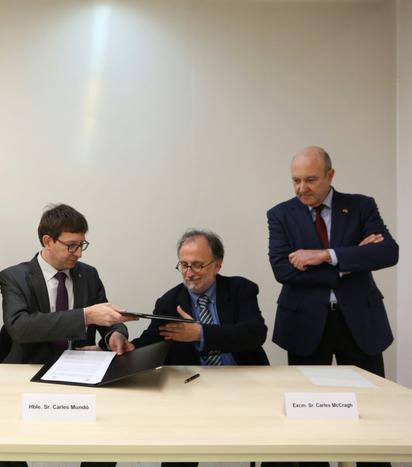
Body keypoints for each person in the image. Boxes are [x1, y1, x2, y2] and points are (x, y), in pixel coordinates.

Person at [267, 146, 398, 467]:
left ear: (330, 175)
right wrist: (350, 259)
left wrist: (324, 255)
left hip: (360, 323)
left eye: (310, 179)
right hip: (306, 325)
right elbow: (283, 270)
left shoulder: (360, 206)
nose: (302, 188)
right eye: (296, 180)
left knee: (373, 413)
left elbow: (388, 252)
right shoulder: (280, 214)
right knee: (310, 417)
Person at [0, 203, 134, 467]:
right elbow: (20, 327)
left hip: (79, 372)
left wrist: (115, 335)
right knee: (3, 448)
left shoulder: (88, 274)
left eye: (82, 245)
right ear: (47, 241)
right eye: (71, 245)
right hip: (28, 370)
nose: (78, 253)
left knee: (108, 441)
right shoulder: (14, 277)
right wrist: (84, 316)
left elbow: (106, 318)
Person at [133, 229, 269, 367]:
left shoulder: (240, 289)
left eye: (197, 265)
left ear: (217, 265)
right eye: (184, 265)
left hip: (243, 373)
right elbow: (151, 341)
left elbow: (256, 332)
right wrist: (127, 346)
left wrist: (201, 334)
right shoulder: (169, 302)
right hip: (195, 377)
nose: (189, 274)